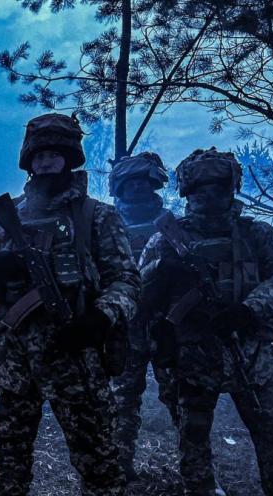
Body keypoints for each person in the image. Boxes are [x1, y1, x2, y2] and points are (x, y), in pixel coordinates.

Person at [0, 113, 140, 496]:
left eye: (54, 154)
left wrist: (101, 317)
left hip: (77, 356)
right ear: (28, 160)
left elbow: (127, 280)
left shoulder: (98, 215)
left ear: (69, 158)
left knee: (98, 459)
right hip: (13, 359)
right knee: (7, 457)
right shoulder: (5, 217)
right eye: (39, 155)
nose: (46, 162)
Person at [140, 147, 273, 496]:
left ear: (231, 188)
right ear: (187, 192)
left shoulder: (256, 234)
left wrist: (250, 309)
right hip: (191, 359)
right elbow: (138, 292)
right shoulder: (167, 240)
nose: (209, 196)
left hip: (252, 357)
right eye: (200, 189)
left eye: (217, 187)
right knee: (193, 442)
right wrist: (159, 272)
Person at [108, 152, 179, 479]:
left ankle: (197, 469)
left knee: (182, 399)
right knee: (121, 401)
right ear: (120, 188)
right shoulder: (105, 225)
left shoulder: (173, 225)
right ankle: (119, 466)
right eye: (130, 183)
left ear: (154, 184)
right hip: (122, 325)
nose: (137, 188)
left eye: (143, 182)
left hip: (169, 324)